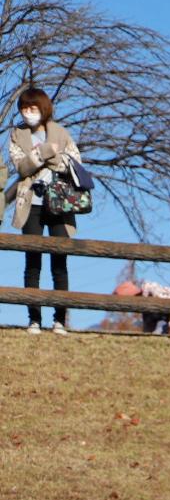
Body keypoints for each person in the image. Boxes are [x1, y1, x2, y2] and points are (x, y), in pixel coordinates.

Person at [7, 87, 82, 335]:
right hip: (30, 203)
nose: (28, 113)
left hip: (60, 203)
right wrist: (45, 153)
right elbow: (22, 167)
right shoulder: (17, 134)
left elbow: (74, 162)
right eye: (24, 109)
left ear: (43, 108)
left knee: (59, 263)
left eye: (32, 108)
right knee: (32, 262)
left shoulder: (61, 132)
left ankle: (60, 319)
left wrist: (46, 157)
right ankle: (34, 319)